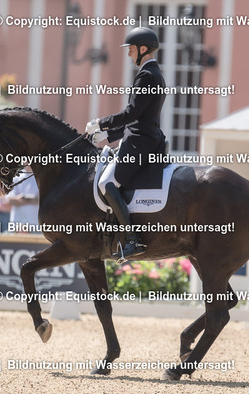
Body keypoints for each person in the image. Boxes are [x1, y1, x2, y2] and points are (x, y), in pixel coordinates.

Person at [85, 26, 167, 261]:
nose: (129, 53)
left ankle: (132, 239)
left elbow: (131, 113)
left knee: (105, 183)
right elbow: (139, 118)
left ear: (143, 49)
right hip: (142, 137)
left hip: (140, 143)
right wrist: (107, 136)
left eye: (131, 49)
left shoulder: (147, 75)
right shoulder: (153, 73)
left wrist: (101, 123)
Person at [6, 165, 39, 231]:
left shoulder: (40, 177)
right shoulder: (15, 177)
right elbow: (10, 200)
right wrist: (32, 199)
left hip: (36, 226)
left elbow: (39, 200)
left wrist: (22, 198)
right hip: (16, 225)